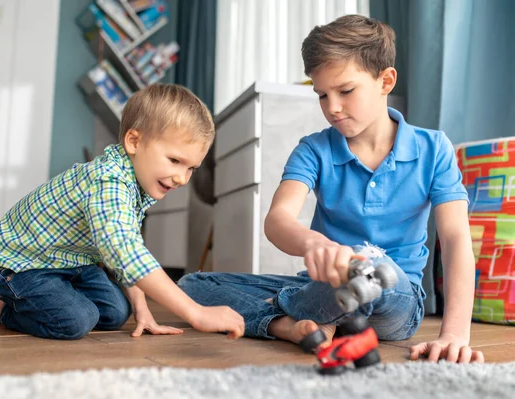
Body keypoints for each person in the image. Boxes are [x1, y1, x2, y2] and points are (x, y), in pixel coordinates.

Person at [178, 15, 484, 363]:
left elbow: (456, 238)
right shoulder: (314, 149)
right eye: (322, 95)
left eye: (346, 91)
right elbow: (278, 219)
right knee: (193, 286)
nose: (332, 107)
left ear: (385, 81)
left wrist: (455, 334)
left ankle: (289, 308)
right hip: (322, 287)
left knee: (371, 268)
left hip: (395, 298)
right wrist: (318, 245)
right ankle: (290, 324)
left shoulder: (434, 148)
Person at [0, 83, 245, 340]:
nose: (182, 178)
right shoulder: (108, 181)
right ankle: (13, 308)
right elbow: (125, 251)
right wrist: (195, 313)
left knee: (117, 312)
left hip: (70, 262)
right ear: (134, 141)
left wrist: (142, 309)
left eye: (191, 168)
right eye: (175, 161)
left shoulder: (136, 185)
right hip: (21, 265)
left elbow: (123, 252)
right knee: (76, 321)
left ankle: (40, 301)